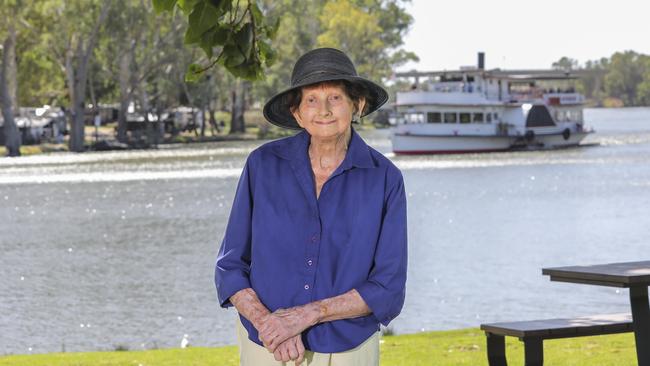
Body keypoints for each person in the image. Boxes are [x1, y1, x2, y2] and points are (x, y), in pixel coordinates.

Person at [215, 48, 408, 366]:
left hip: (349, 350)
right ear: (297, 112)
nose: (324, 110)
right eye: (312, 100)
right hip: (268, 347)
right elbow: (230, 268)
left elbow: (387, 287)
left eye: (335, 98)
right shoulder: (262, 166)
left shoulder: (385, 179)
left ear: (356, 105)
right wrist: (270, 325)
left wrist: (305, 316)